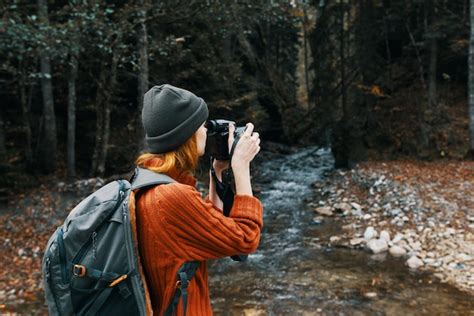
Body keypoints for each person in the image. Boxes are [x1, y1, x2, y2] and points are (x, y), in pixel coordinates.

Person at [135, 84, 263, 315]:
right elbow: (245, 239)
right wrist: (241, 168)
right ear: (187, 134)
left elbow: (210, 231)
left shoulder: (149, 183)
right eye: (202, 125)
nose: (206, 131)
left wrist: (219, 170)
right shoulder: (171, 197)